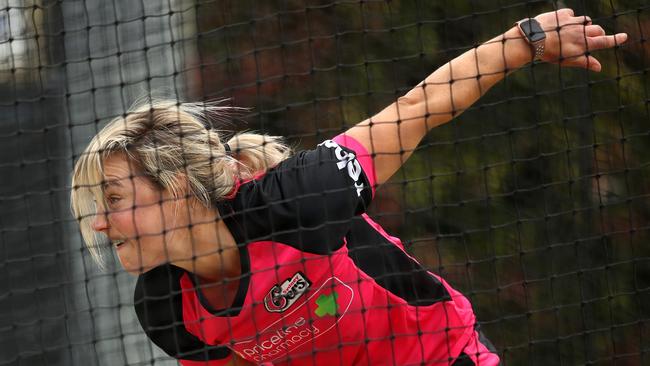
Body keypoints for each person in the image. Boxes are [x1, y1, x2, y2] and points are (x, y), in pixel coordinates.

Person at [71, 8, 626, 366]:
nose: (99, 223)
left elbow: (419, 109)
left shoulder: (299, 199)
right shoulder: (166, 308)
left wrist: (525, 40)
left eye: (114, 199)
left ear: (177, 187)